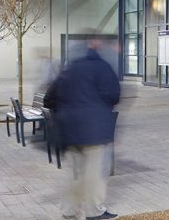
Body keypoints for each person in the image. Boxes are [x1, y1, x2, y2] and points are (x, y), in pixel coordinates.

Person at [48, 37, 120, 220]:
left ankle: (69, 210)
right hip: (95, 131)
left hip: (69, 131)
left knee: (74, 173)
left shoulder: (69, 70)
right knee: (94, 172)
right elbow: (114, 96)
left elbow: (49, 98)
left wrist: (66, 111)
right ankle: (94, 211)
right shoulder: (102, 67)